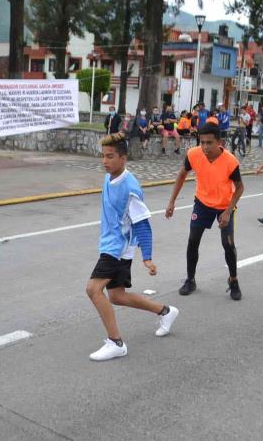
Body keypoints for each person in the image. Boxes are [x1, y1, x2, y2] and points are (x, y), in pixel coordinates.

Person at [86, 133, 178, 361]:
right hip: (111, 245)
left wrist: (147, 257)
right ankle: (165, 311)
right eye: (103, 156)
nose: (105, 161)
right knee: (116, 296)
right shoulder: (110, 177)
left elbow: (143, 225)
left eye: (110, 157)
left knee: (93, 289)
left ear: (123, 158)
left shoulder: (130, 189)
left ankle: (116, 343)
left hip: (116, 250)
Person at [165, 122, 244, 300]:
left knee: (228, 244)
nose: (205, 147)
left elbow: (239, 188)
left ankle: (233, 280)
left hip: (224, 205)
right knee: (193, 241)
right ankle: (190, 280)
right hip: (202, 203)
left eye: (209, 142)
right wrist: (172, 201)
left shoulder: (230, 161)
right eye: (202, 142)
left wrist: (227, 212)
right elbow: (182, 175)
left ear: (219, 142)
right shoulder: (193, 154)